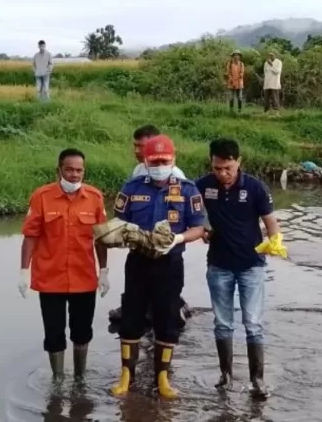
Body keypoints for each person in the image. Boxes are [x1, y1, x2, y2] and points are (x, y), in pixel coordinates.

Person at [110, 135, 206, 399]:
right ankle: (126, 376)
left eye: (165, 160)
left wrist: (178, 238)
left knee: (167, 318)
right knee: (131, 317)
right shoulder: (131, 188)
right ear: (145, 160)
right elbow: (117, 223)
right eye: (154, 160)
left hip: (170, 262)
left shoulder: (188, 190)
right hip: (138, 261)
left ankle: (162, 378)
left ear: (173, 159)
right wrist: (122, 235)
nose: (160, 164)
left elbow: (199, 227)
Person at [195, 137, 287, 399]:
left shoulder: (256, 188)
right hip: (219, 265)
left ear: (239, 162)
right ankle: (225, 376)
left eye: (228, 168)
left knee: (253, 324)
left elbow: (270, 221)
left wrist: (275, 241)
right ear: (211, 164)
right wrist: (203, 226)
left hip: (251, 266)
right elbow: (191, 211)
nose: (223, 174)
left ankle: (257, 379)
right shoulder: (202, 186)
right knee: (223, 324)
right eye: (217, 168)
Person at [19, 148, 109, 381]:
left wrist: (104, 271)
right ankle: (57, 378)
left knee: (82, 333)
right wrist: (23, 270)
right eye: (69, 169)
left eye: (79, 170)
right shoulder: (41, 196)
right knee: (53, 333)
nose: (74, 175)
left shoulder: (95, 197)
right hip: (50, 279)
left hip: (84, 278)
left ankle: (80, 377)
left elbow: (101, 238)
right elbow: (30, 235)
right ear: (59, 170)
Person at [108, 124, 190, 325]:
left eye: (142, 146)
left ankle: (172, 308)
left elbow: (182, 218)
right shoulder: (139, 170)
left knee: (163, 311)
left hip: (165, 250)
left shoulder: (176, 177)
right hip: (140, 247)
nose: (137, 151)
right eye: (135, 146)